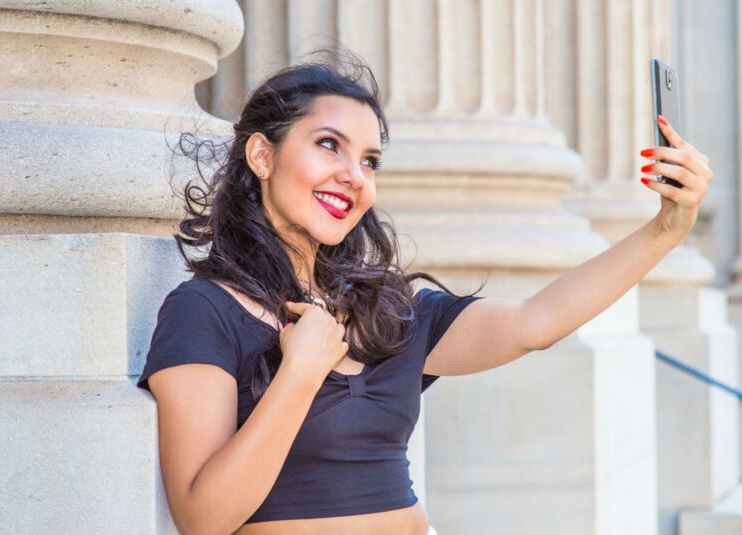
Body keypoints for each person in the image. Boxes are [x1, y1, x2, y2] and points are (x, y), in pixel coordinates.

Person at [137, 52, 712, 535]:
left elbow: (536, 323)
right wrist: (300, 374)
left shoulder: (386, 312)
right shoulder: (203, 311)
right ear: (262, 155)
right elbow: (203, 517)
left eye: (369, 161)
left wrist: (666, 229)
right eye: (329, 145)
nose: (354, 175)